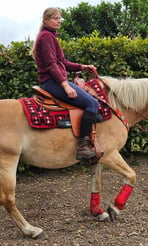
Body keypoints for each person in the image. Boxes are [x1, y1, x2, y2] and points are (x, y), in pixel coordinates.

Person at [30, 7, 100, 161]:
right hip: (52, 83)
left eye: (59, 18)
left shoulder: (50, 37)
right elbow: (51, 65)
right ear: (45, 20)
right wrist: (65, 85)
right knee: (92, 104)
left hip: (55, 81)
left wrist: (83, 67)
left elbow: (63, 63)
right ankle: (83, 146)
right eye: (55, 18)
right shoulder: (46, 37)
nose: (58, 21)